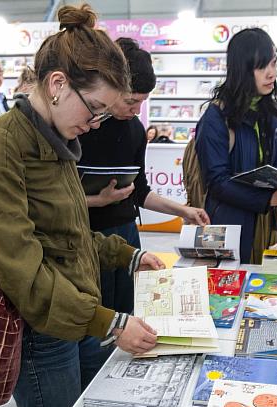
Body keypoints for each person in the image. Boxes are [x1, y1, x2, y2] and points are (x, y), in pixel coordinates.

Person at [0, 4, 164, 407]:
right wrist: (108, 323)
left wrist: (125, 255)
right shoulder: (4, 146)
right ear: (56, 85)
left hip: (74, 313)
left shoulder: (57, 141)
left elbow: (69, 235)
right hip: (40, 329)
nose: (94, 124)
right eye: (93, 109)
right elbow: (22, 270)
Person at [80, 37, 209, 319]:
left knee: (129, 311)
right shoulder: (79, 126)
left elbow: (140, 190)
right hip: (85, 237)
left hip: (126, 233)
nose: (136, 110)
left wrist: (182, 210)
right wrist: (96, 200)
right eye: (131, 101)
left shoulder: (135, 130)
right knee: (95, 317)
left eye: (142, 102)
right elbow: (54, 198)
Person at [195, 28, 277, 264]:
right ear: (242, 69)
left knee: (264, 290)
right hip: (228, 225)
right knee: (228, 290)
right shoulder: (216, 117)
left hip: (267, 223)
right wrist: (268, 200)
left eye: (273, 64)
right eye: (261, 66)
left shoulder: (272, 112)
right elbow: (217, 181)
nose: (271, 74)